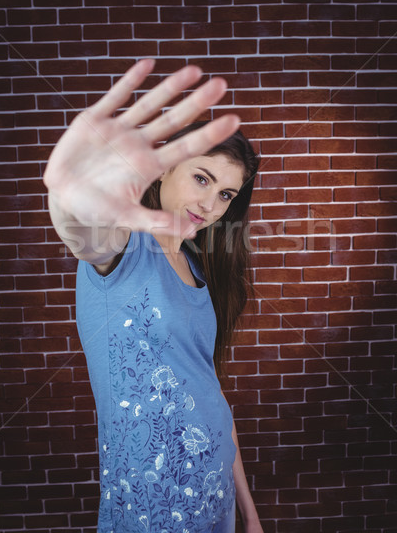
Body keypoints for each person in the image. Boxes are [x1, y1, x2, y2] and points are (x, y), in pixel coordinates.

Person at [44, 59, 264, 533]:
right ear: (163, 171)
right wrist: (67, 196)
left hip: (216, 498)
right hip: (150, 508)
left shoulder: (202, 272)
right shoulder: (121, 247)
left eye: (227, 194)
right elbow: (84, 233)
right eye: (202, 178)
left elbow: (212, 395)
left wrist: (249, 511)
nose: (210, 205)